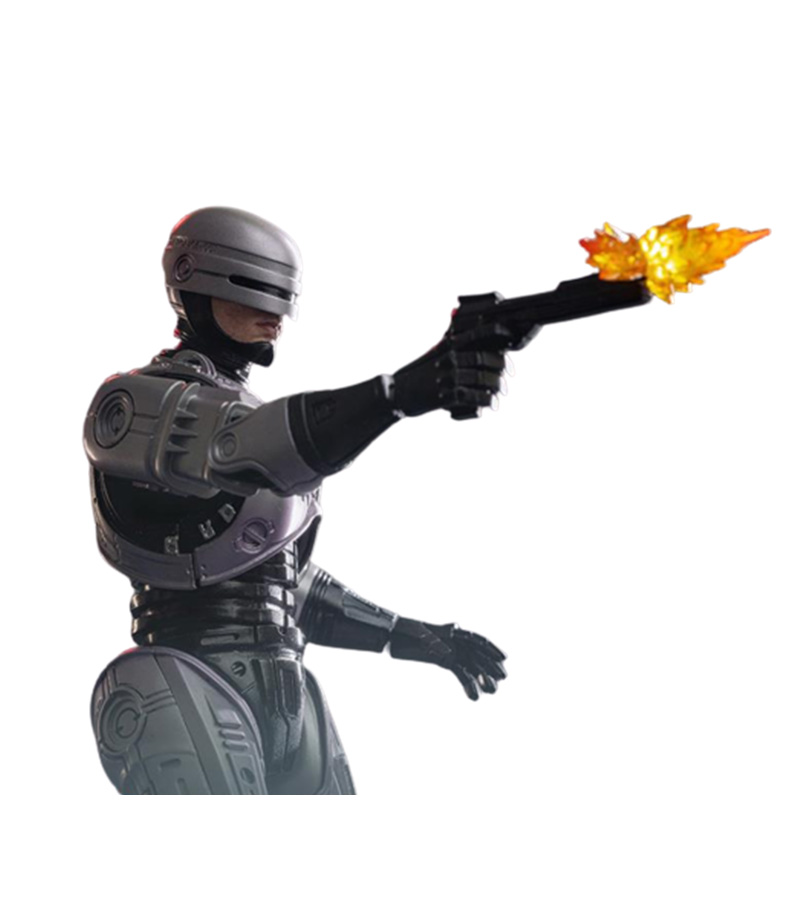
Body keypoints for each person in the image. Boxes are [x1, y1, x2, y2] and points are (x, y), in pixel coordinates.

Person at [85, 207, 508, 794]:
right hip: (187, 676)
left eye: (284, 298)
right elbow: (238, 447)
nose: (276, 315)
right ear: (195, 285)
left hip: (287, 693)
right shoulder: (132, 406)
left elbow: (280, 583)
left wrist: (407, 634)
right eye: (254, 288)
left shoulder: (253, 419)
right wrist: (400, 393)